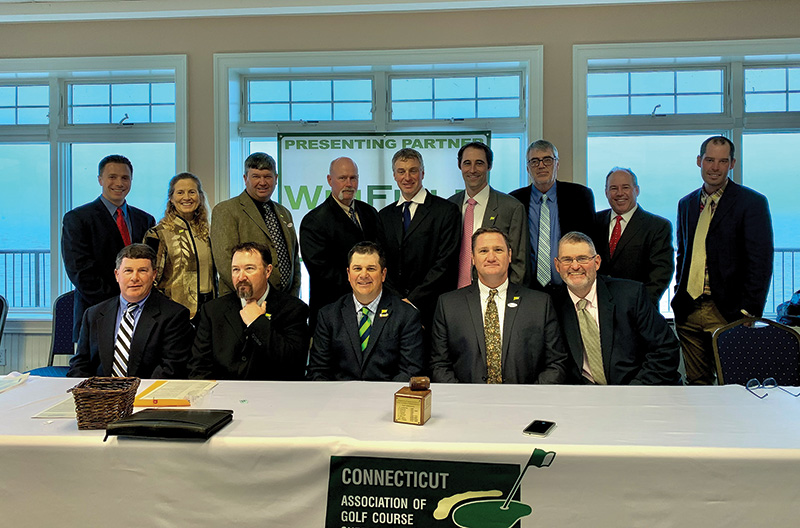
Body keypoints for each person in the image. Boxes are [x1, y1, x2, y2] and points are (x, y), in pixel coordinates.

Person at [672, 136, 773, 385]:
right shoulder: (686, 204)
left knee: (734, 386)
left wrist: (749, 312)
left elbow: (760, 262)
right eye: (709, 160)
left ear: (732, 164)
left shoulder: (752, 203)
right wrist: (678, 294)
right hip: (689, 311)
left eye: (722, 161)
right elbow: (683, 254)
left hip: (729, 313)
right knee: (697, 386)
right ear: (699, 161)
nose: (715, 167)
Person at [430, 227, 568, 384]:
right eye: (483, 251)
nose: (491, 257)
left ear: (509, 255)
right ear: (473, 258)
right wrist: (464, 400)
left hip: (525, 404)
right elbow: (439, 365)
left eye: (498, 250)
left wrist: (529, 398)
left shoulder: (540, 304)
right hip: (466, 404)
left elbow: (556, 364)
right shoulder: (448, 305)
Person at [551, 232, 681, 385]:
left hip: (640, 389)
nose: (575, 266)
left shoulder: (631, 295)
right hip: (586, 397)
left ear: (597, 262)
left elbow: (665, 350)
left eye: (582, 258)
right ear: (557, 266)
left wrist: (631, 393)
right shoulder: (551, 306)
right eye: (567, 260)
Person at [62, 154, 155, 341]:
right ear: (100, 180)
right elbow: (80, 271)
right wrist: (119, 304)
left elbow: (151, 267)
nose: (119, 183)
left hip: (140, 317)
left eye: (125, 178)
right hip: (96, 315)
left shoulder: (145, 220)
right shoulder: (78, 218)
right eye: (112, 177)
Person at [67, 244, 193, 379]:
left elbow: (171, 368)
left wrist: (131, 394)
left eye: (142, 271)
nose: (134, 278)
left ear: (154, 275)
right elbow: (80, 364)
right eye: (128, 271)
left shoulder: (174, 315)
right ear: (117, 275)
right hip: (100, 396)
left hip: (147, 395)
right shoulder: (94, 314)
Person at [189, 242, 310, 380]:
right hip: (223, 396)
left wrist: (258, 323)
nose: (241, 277)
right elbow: (198, 368)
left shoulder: (293, 309)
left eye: (249, 269)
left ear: (268, 271)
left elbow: (294, 365)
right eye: (235, 270)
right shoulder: (213, 311)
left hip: (274, 396)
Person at [307, 242, 424, 381]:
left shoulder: (407, 315)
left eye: (371, 268)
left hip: (386, 398)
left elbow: (410, 370)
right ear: (349, 274)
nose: (363, 275)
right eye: (357, 268)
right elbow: (318, 371)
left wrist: (380, 399)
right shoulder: (328, 316)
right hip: (340, 399)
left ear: (383, 274)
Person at [378, 148, 461, 330]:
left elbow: (445, 263)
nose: (407, 177)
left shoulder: (446, 211)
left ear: (422, 172)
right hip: (393, 309)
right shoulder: (384, 216)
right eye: (401, 171)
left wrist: (413, 300)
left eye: (413, 170)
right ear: (394, 175)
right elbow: (381, 263)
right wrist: (399, 300)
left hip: (433, 309)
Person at [300, 157, 380, 330]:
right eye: (342, 178)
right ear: (330, 180)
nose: (349, 183)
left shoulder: (370, 213)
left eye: (353, 178)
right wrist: (363, 285)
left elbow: (381, 255)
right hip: (333, 313)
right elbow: (322, 271)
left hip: (372, 310)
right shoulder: (314, 221)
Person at [210, 152, 300, 297]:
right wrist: (258, 297)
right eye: (256, 177)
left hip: (284, 304)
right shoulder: (226, 210)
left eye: (267, 176)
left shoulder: (284, 213)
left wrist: (293, 299)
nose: (262, 182)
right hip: (243, 302)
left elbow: (294, 261)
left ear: (276, 179)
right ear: (245, 179)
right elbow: (225, 263)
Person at [510, 140, 595, 293]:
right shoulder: (515, 200)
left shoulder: (580, 196)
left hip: (570, 285)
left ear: (557, 164)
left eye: (547, 160)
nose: (541, 165)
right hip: (527, 289)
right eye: (534, 161)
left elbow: (591, 242)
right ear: (528, 168)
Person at [448, 142, 528, 287]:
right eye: (467, 163)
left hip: (496, 294)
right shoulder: (449, 206)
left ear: (489, 166)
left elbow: (519, 263)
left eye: (479, 163)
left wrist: (510, 297)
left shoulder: (511, 207)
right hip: (453, 295)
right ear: (460, 166)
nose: (472, 170)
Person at [594, 167, 674, 306]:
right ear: (606, 192)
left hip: (638, 312)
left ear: (636, 190)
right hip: (599, 310)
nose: (619, 193)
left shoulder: (657, 226)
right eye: (613, 188)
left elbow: (660, 276)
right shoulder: (594, 221)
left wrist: (637, 308)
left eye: (625, 187)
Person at [144, 172, 215, 321]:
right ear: (171, 197)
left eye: (192, 192)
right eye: (180, 192)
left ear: (200, 196)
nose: (187, 197)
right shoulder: (157, 234)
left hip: (208, 309)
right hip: (175, 312)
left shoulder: (208, 232)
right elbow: (150, 278)